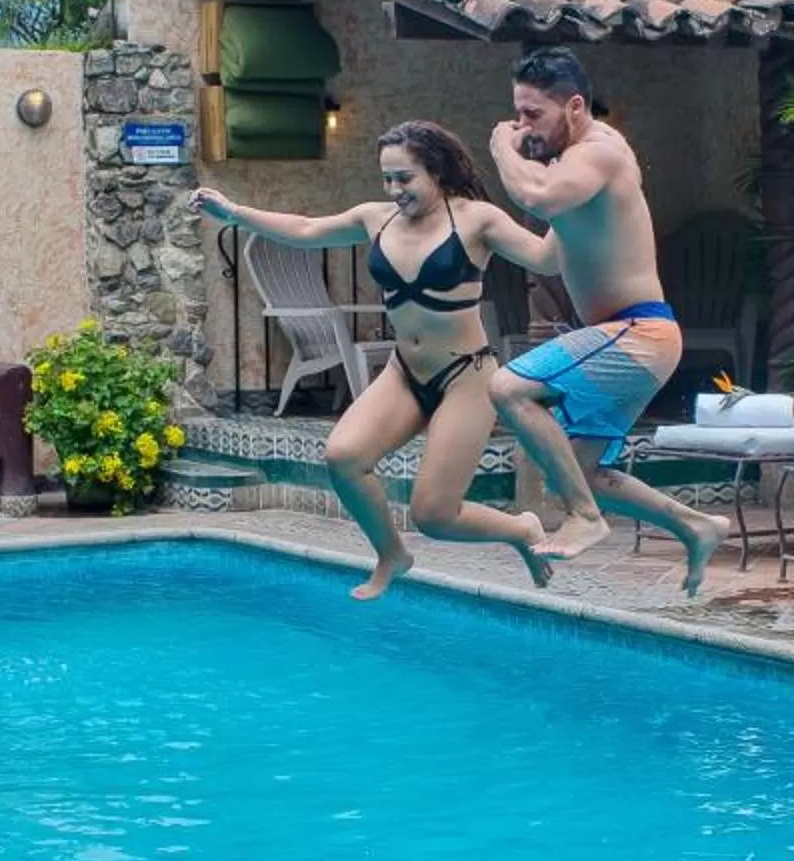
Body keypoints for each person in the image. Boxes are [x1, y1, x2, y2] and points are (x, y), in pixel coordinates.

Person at [193, 122, 562, 600]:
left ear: (436, 171)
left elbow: (546, 260)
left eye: (404, 178)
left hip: (465, 376)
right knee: (343, 457)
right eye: (387, 179)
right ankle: (391, 554)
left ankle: (521, 530)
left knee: (434, 515)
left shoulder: (477, 220)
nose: (394, 189)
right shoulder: (377, 218)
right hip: (404, 373)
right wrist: (234, 212)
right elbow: (306, 229)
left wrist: (565, 202)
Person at [483, 47, 731, 594]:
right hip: (629, 339)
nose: (521, 126)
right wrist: (476, 235)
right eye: (517, 114)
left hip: (637, 333)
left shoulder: (598, 152)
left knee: (508, 387)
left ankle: (585, 517)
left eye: (532, 114)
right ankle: (696, 525)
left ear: (574, 107)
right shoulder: (574, 169)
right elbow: (547, 256)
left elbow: (537, 196)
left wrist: (500, 147)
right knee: (580, 472)